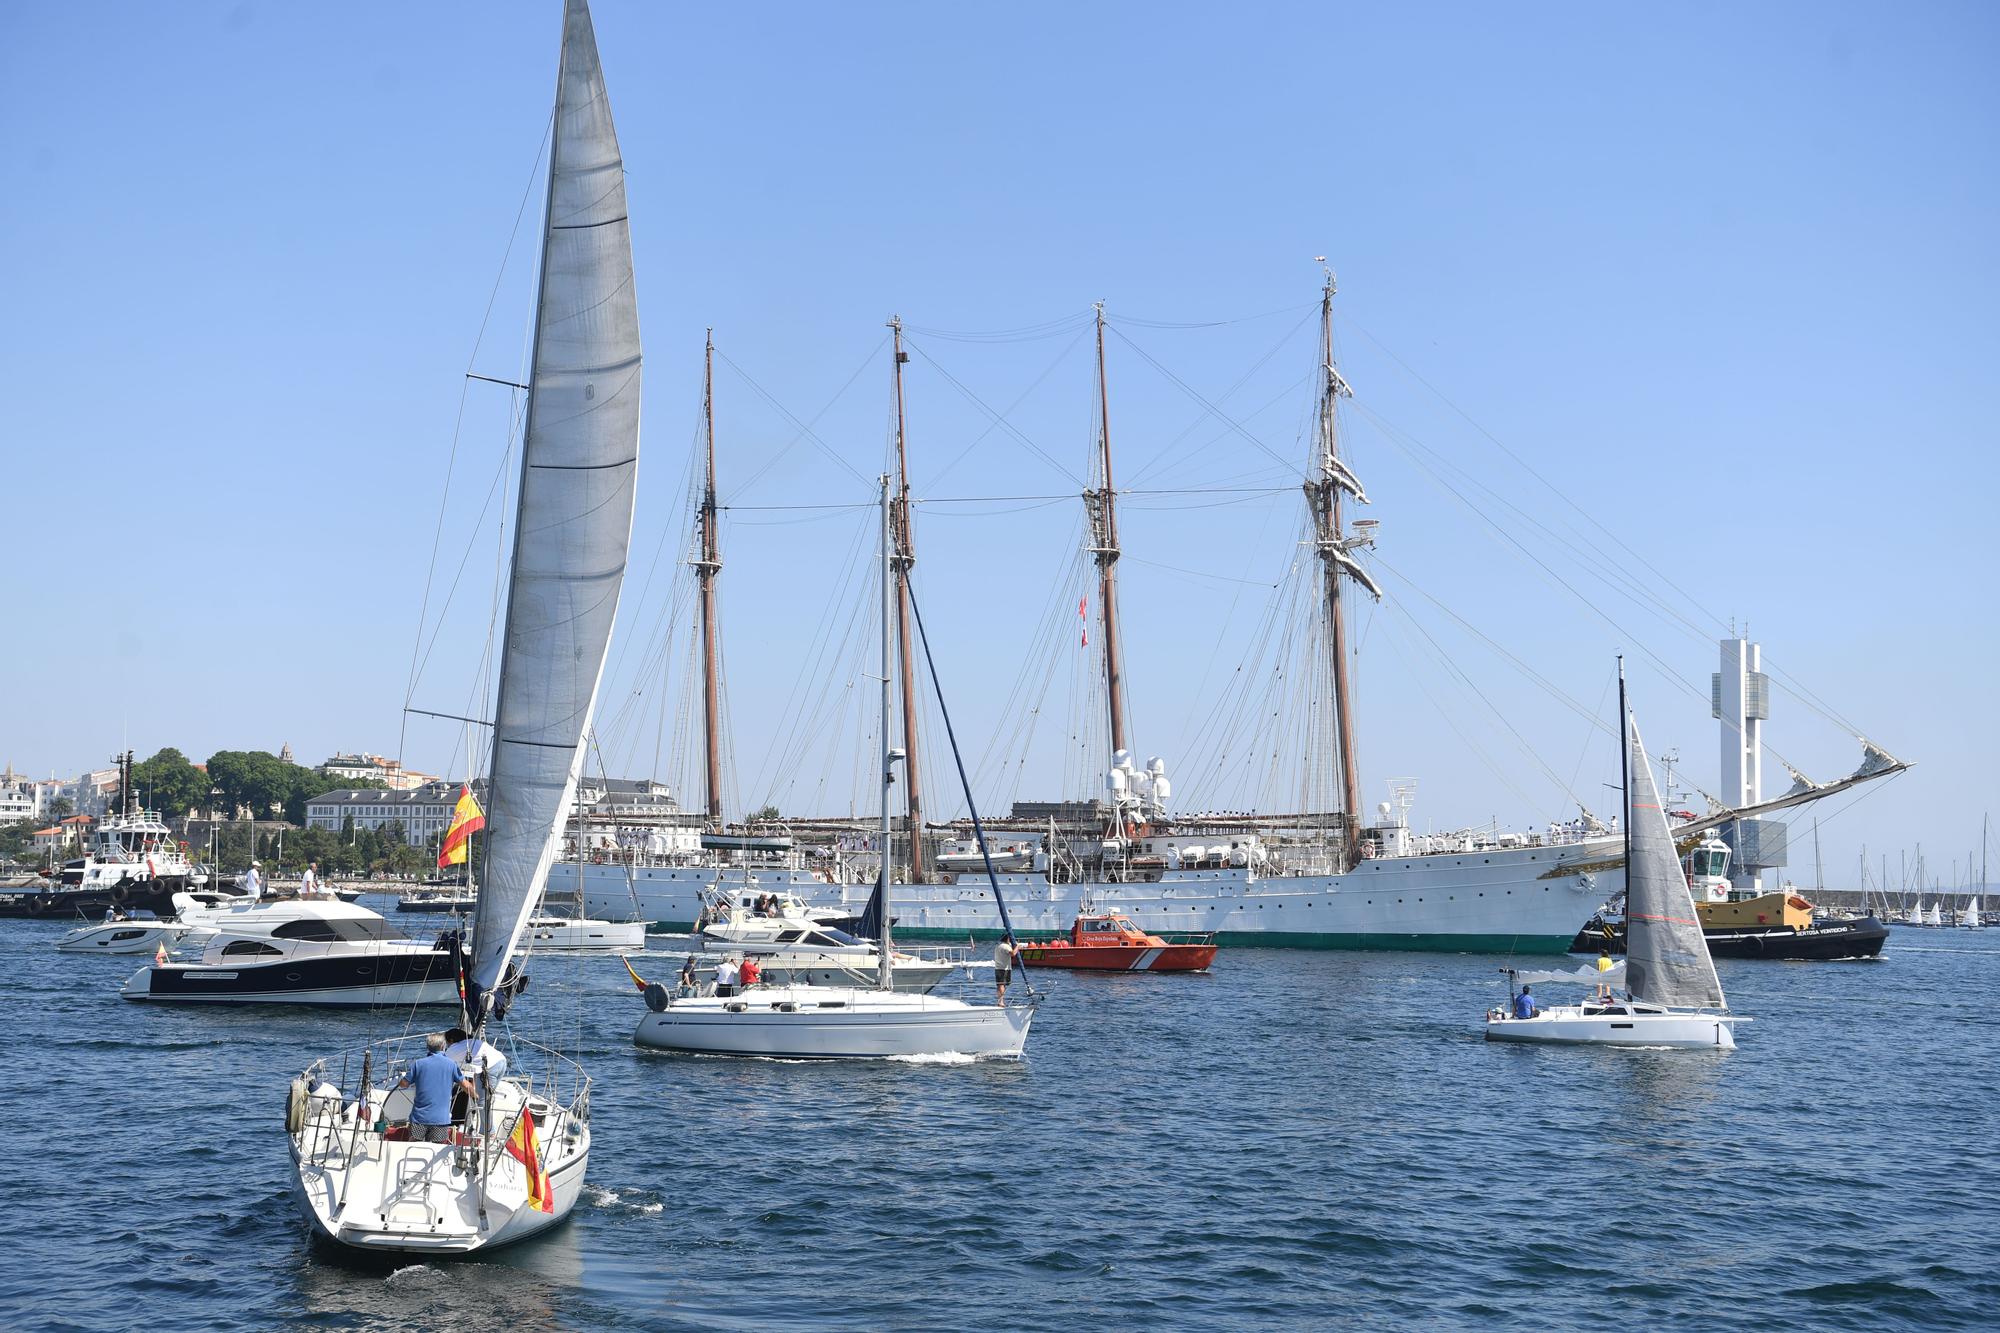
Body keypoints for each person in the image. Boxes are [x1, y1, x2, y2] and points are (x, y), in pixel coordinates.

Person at [398, 1033, 472, 1143]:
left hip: (419, 1118)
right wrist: (477, 1095)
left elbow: (403, 1084)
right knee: (437, 1149)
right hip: (440, 1119)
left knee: (414, 1147)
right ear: (443, 1046)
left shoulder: (418, 1064)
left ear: (428, 1047)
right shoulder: (451, 1065)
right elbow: (465, 1086)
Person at [993, 937, 1016, 1003]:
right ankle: (1001, 1001)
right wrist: (1017, 947)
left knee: (999, 985)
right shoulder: (1006, 946)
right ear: (1007, 939)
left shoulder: (998, 946)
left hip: (998, 968)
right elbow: (1013, 954)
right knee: (1002, 985)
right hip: (1004, 968)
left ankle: (999, 1000)